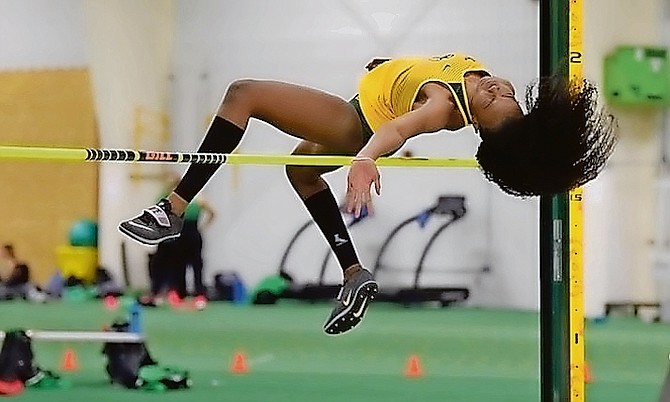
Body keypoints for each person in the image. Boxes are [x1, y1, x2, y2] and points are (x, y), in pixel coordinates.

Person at [118, 53, 617, 335]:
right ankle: (354, 274)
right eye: (505, 94)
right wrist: (388, 67)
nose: (497, 91)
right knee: (300, 173)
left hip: (355, 125)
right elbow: (417, 78)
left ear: (480, 128)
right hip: (361, 112)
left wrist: (365, 159)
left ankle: (175, 207)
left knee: (243, 94)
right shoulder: (473, 76)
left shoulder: (445, 106)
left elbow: (402, 126)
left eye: (495, 105)